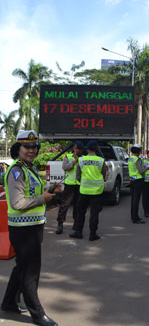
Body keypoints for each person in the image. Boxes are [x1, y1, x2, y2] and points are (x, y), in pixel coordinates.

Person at [1, 130, 61, 326]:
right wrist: (42, 198)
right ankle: (37, 314)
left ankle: (9, 302)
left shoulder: (30, 169)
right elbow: (18, 203)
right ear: (18, 149)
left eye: (34, 147)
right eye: (27, 147)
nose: (31, 150)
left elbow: (36, 193)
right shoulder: (16, 171)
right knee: (30, 272)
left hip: (33, 226)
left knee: (22, 267)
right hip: (23, 230)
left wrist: (51, 190)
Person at [69, 140, 105, 241]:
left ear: (87, 149)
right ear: (96, 149)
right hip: (97, 191)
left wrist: (84, 182)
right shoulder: (101, 160)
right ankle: (92, 234)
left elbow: (78, 176)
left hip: (84, 190)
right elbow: (104, 174)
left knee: (80, 212)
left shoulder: (81, 160)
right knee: (94, 213)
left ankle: (78, 232)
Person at [55, 141, 84, 234]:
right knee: (64, 205)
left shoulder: (84, 159)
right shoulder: (68, 157)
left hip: (79, 185)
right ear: (73, 149)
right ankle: (60, 224)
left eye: (78, 149)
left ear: (81, 150)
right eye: (75, 148)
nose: (77, 150)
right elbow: (65, 167)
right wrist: (74, 161)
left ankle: (76, 224)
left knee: (78, 206)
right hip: (69, 184)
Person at [128, 144, 148, 224]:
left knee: (133, 200)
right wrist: (146, 168)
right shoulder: (137, 159)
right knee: (136, 200)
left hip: (132, 180)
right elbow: (141, 171)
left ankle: (133, 217)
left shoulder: (130, 159)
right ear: (138, 152)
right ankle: (135, 218)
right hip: (138, 181)